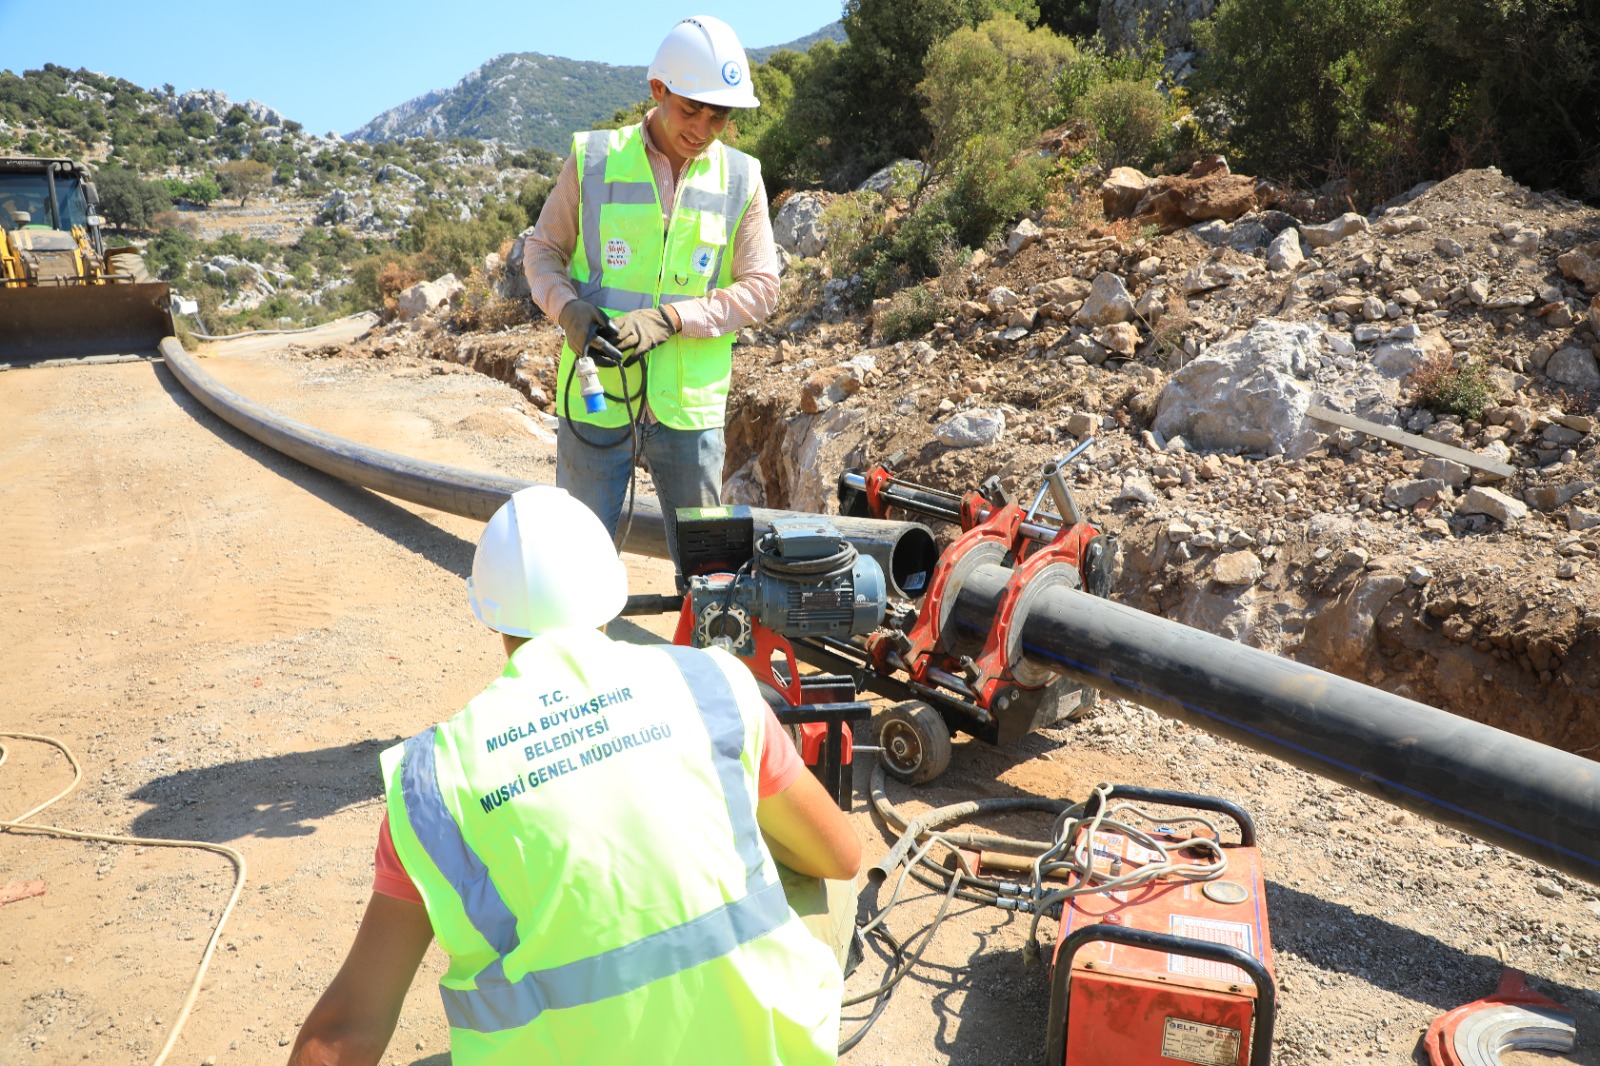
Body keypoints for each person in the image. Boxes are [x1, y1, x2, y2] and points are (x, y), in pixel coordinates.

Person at [287, 486, 860, 1065]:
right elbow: (841, 856)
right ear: (613, 597)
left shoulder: (433, 784)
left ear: (489, 616)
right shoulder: (712, 684)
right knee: (807, 872)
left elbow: (347, 1031)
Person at [523, 14, 779, 581]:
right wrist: (567, 309)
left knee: (714, 582)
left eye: (719, 116)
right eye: (692, 109)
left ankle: (709, 670)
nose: (704, 128)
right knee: (575, 570)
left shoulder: (743, 178)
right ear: (658, 90)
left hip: (690, 409)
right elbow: (542, 251)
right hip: (595, 394)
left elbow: (763, 288)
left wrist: (673, 318)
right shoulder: (593, 160)